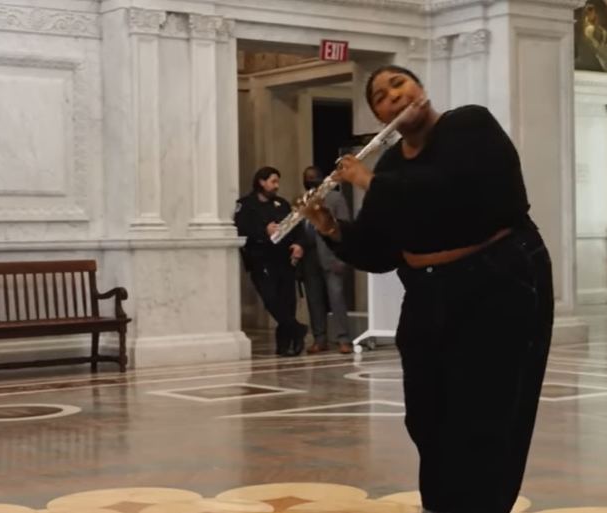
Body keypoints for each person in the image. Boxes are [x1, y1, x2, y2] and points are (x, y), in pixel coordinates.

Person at [301, 65, 555, 513]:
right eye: (381, 96)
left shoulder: (469, 125)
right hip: (428, 296)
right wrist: (331, 228)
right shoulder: (393, 162)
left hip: (495, 287)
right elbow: (380, 251)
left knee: (484, 416)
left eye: (398, 84)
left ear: (419, 88)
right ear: (378, 115)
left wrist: (368, 181)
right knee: (425, 416)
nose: (393, 97)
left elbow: (448, 191)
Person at [234, 166, 307, 357]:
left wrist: (299, 244)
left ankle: (286, 344)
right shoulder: (245, 205)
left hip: (283, 259)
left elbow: (296, 227)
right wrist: (264, 232)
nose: (276, 186)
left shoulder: (281, 204)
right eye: (273, 181)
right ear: (262, 182)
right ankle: (296, 328)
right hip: (260, 260)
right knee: (271, 299)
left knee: (287, 301)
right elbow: (241, 231)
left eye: (278, 182)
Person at [298, 166, 354, 355]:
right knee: (314, 300)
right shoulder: (302, 200)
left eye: (313, 178)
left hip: (331, 255)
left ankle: (344, 339)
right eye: (307, 178)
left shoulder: (335, 198)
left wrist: (342, 254)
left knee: (336, 297)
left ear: (322, 179)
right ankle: (319, 339)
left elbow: (345, 227)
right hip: (308, 256)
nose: (310, 181)